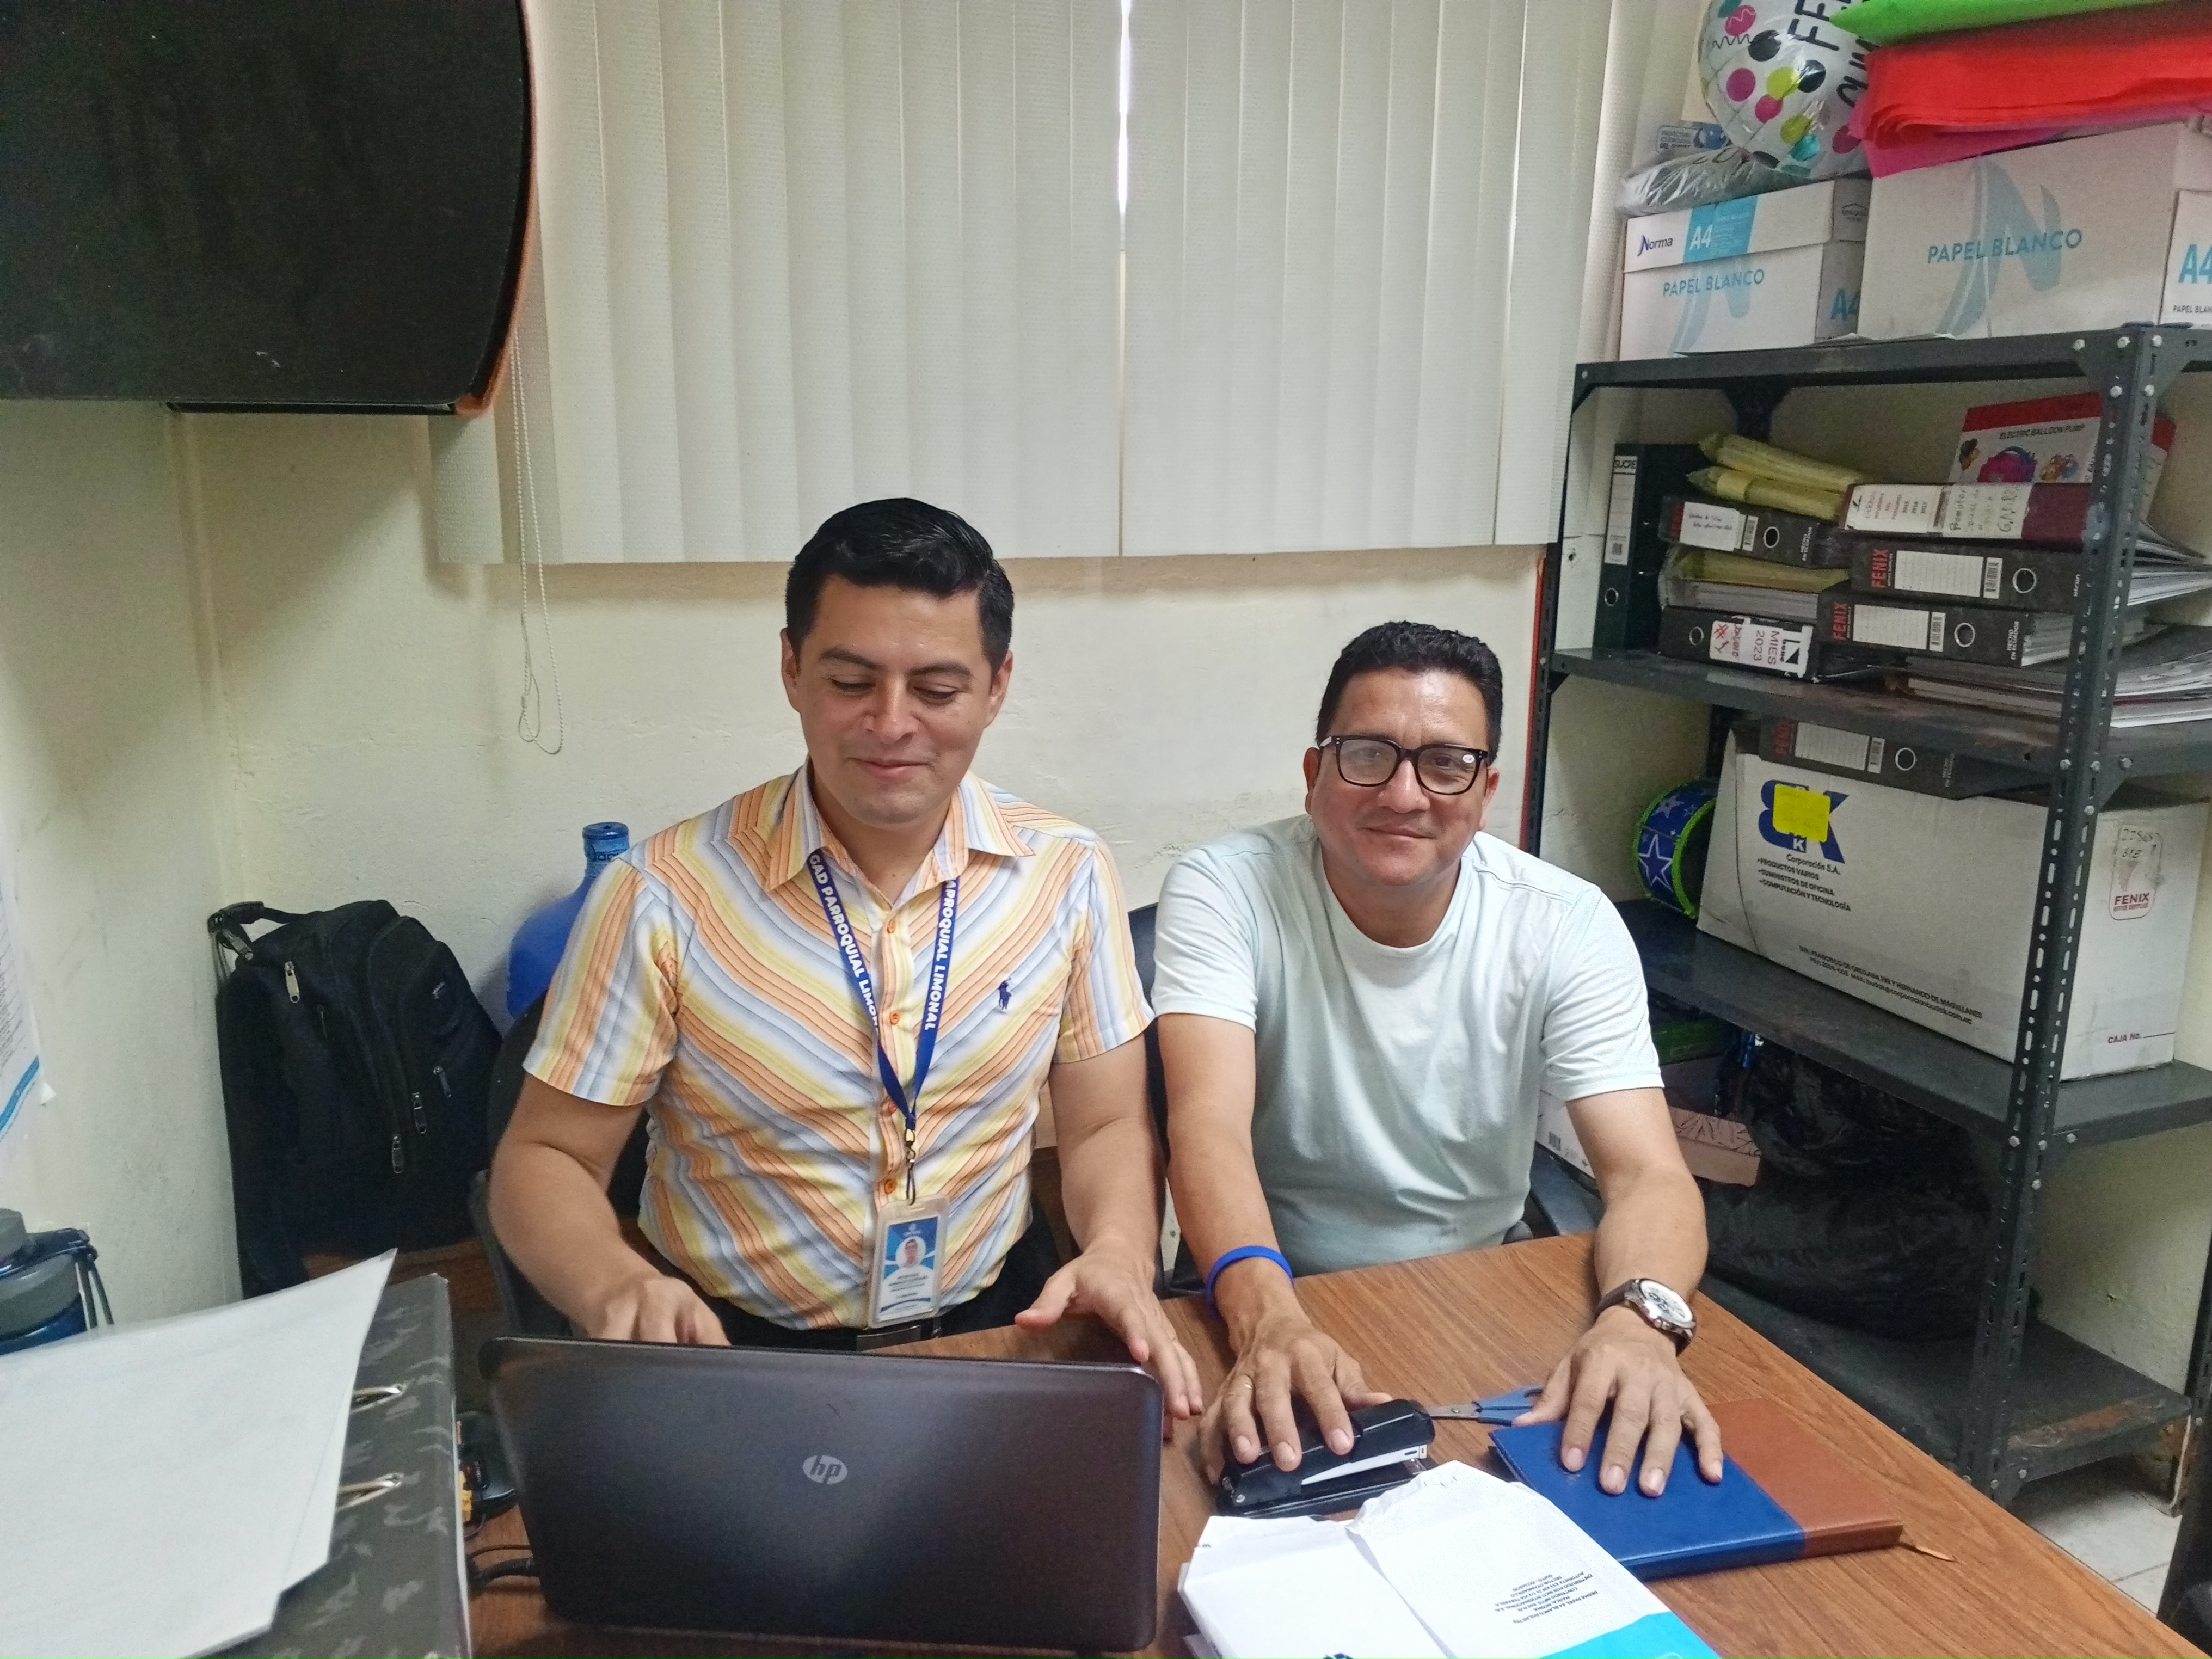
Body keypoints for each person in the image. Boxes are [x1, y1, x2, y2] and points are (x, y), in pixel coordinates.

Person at [490, 498, 1200, 1420]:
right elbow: (544, 1157)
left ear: (997, 686)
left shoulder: (1066, 874)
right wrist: (613, 1286)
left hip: (996, 1328)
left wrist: (1117, 1253)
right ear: (792, 668)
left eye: (937, 690)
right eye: (852, 681)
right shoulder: (662, 895)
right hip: (736, 1348)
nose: (891, 723)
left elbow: (1105, 1126)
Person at [1152, 621, 1719, 1497]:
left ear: (1486, 790)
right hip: (1261, 1286)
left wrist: (1640, 1322)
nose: (1405, 794)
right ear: (1314, 773)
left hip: (1476, 1284)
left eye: (1446, 764)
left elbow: (1649, 1174)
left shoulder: (1563, 923)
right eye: (1368, 755)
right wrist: (1269, 1319)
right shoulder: (1226, 890)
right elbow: (1207, 1129)